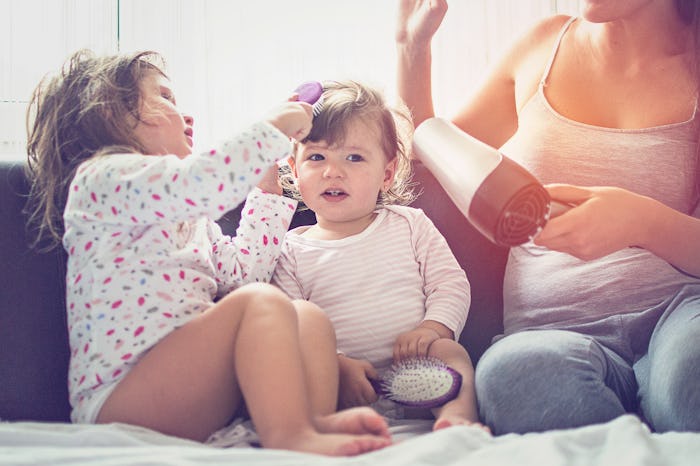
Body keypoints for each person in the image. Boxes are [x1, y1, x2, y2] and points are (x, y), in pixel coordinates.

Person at [23, 49, 393, 456]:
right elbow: (201, 182)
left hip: (188, 388)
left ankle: (308, 422)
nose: (187, 117)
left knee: (304, 315)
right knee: (263, 303)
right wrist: (272, 128)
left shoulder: (189, 220)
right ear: (110, 113)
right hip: (122, 399)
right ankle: (290, 436)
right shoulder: (101, 180)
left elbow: (245, 275)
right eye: (164, 97)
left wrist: (267, 187)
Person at [396, 0, 700, 435]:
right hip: (551, 331)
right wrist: (412, 46)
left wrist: (640, 221)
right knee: (515, 375)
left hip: (678, 317)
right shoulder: (541, 48)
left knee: (692, 374)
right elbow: (427, 150)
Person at [272, 80, 483, 432]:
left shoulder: (409, 224)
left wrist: (433, 328)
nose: (332, 171)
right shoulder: (291, 250)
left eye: (353, 157)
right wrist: (336, 364)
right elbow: (292, 329)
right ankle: (334, 426)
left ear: (386, 174)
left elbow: (450, 283)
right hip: (344, 384)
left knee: (451, 353)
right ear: (295, 171)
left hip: (419, 367)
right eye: (316, 157)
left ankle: (455, 418)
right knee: (303, 370)